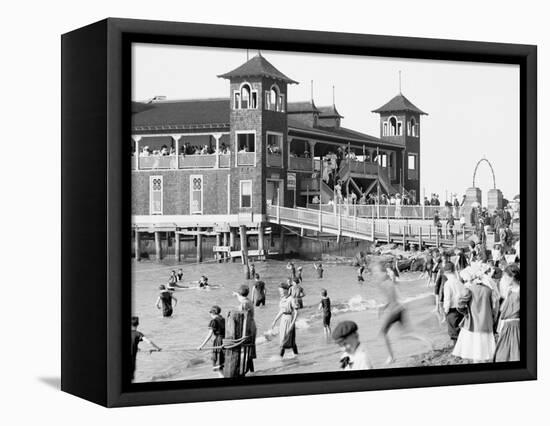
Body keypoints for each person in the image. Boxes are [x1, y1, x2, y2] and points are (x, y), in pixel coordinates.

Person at [372, 261, 432, 364]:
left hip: (395, 311)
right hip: (400, 309)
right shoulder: (386, 282)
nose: (375, 274)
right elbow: (390, 299)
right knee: (405, 334)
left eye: (376, 272)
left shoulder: (386, 283)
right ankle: (426, 340)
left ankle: (391, 357)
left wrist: (386, 307)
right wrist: (384, 307)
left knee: (383, 333)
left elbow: (392, 297)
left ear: (383, 272)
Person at [452, 268, 499, 362]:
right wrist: (493, 319)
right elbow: (495, 308)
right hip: (486, 323)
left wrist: (466, 313)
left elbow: (459, 304)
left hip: (472, 324)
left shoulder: (469, 289)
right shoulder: (489, 290)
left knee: (474, 352)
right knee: (485, 352)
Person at [494, 264, 520, 362]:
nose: (504, 279)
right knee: (502, 355)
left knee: (514, 354)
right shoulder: (510, 291)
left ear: (512, 276)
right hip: (506, 326)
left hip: (515, 326)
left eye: (506, 276)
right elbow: (503, 310)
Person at [232, 285, 257, 373]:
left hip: (248, 327)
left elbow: (241, 315)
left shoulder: (244, 304)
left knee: (246, 349)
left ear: (240, 293)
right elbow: (241, 298)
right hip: (252, 325)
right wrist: (236, 295)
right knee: (249, 349)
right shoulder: (248, 300)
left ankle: (246, 371)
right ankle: (252, 371)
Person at [271, 282, 299, 358]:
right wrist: (275, 320)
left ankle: (282, 357)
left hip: (290, 319)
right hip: (283, 319)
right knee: (284, 339)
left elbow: (296, 312)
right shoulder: (282, 299)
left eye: (281, 291)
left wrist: (292, 323)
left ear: (286, 290)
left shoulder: (291, 299)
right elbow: (281, 310)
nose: (280, 293)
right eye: (279, 291)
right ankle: (292, 355)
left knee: (288, 339)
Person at [197, 306, 226, 377]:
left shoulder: (214, 321)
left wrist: (201, 345)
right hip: (225, 340)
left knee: (218, 364)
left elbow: (209, 335)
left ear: (212, 313)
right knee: (222, 363)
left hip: (218, 342)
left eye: (210, 313)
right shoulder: (223, 319)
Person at [131, 316, 161, 381]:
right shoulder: (138, 334)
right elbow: (149, 341)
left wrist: (137, 347)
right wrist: (158, 348)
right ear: (138, 324)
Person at [442, 262, 465, 343]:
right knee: (460, 331)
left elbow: (447, 300)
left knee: (453, 333)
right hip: (461, 309)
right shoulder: (459, 282)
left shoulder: (447, 284)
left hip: (452, 310)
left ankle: (457, 351)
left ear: (445, 272)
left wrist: (445, 312)